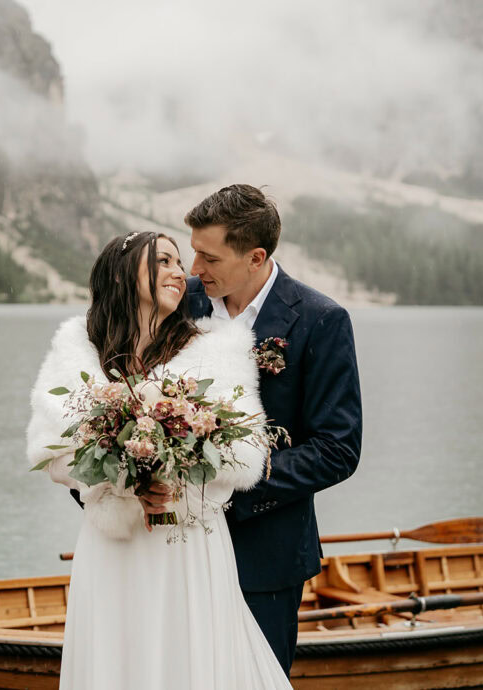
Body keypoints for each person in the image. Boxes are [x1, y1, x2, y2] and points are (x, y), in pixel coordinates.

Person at [27, 231, 293, 689]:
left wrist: (173, 480)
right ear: (122, 273)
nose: (180, 271)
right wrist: (127, 484)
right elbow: (52, 454)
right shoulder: (79, 349)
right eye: (164, 261)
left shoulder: (218, 349)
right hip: (114, 543)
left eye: (178, 261)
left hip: (188, 543)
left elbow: (244, 455)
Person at [143, 184, 363, 674]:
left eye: (208, 257)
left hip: (265, 554)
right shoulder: (180, 304)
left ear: (255, 256)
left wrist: (225, 484)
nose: (192, 269)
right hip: (173, 547)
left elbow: (337, 449)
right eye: (192, 252)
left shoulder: (320, 321)